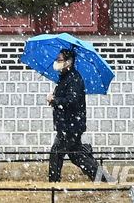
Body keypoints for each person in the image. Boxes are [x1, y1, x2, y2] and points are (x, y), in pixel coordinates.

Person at [47, 48, 110, 183]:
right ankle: (103, 179)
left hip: (70, 126)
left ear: (68, 63)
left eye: (59, 60)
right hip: (69, 124)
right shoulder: (65, 78)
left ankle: (53, 184)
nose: (56, 62)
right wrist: (55, 98)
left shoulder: (74, 79)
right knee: (77, 156)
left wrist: (54, 100)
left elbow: (71, 101)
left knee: (56, 153)